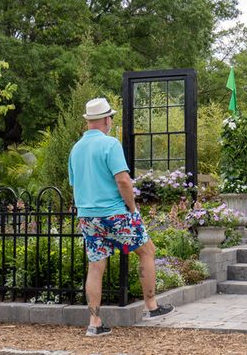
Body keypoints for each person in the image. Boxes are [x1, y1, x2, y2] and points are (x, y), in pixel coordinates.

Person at [68, 97, 173, 337]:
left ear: (88, 121)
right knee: (147, 251)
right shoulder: (110, 144)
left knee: (95, 266)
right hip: (115, 213)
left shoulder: (75, 149)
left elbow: (75, 183)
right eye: (110, 117)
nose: (111, 121)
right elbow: (123, 180)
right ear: (105, 119)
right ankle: (151, 306)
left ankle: (94, 322)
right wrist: (133, 208)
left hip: (88, 216)